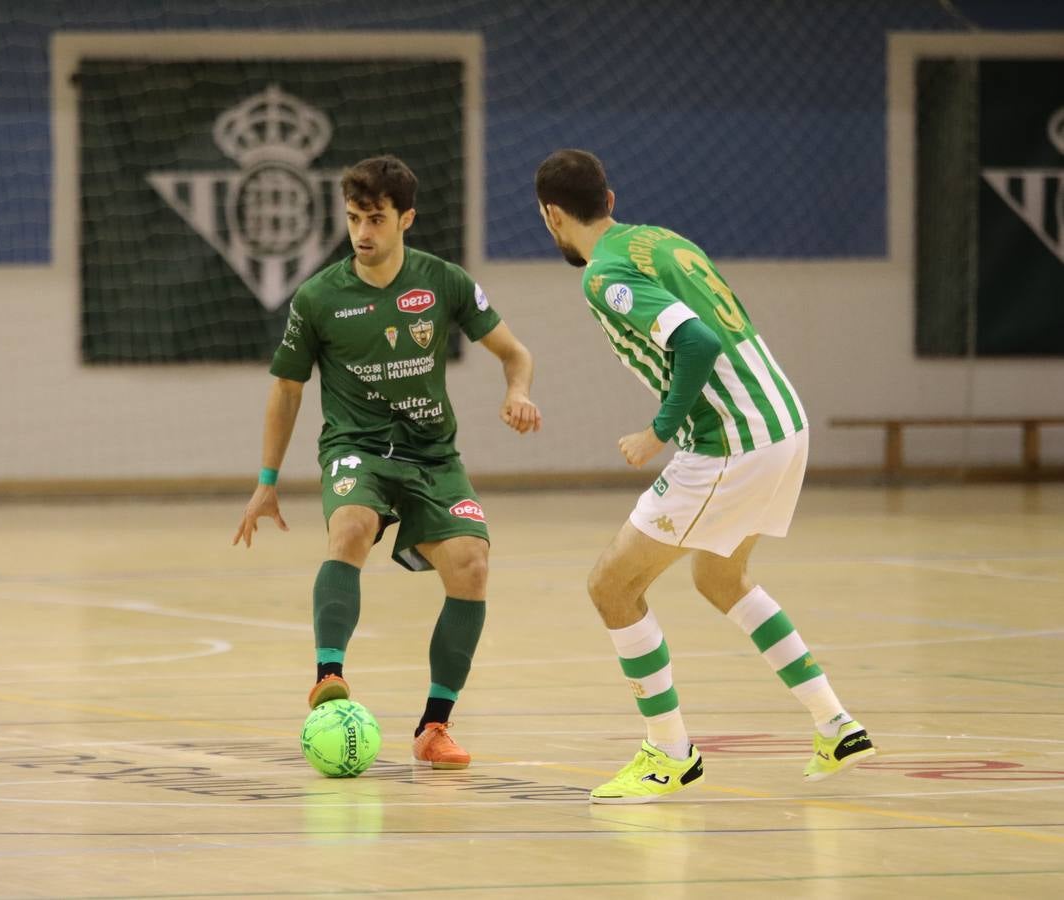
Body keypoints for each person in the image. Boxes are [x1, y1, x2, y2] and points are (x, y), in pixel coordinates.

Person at [533, 149, 876, 803]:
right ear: (608, 200)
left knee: (612, 586)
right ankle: (835, 723)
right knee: (720, 578)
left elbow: (697, 342)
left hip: (732, 443)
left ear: (553, 215)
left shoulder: (604, 276)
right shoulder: (658, 239)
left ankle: (670, 755)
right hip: (782, 420)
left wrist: (658, 431)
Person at [234, 155, 541, 769]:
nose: (362, 233)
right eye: (352, 219)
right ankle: (327, 676)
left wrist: (517, 390)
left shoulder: (444, 281)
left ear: (407, 218)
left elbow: (514, 352)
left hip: (432, 453)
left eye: (375, 218)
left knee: (472, 566)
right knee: (351, 527)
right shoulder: (318, 298)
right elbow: (287, 390)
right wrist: (266, 482)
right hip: (358, 448)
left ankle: (434, 726)